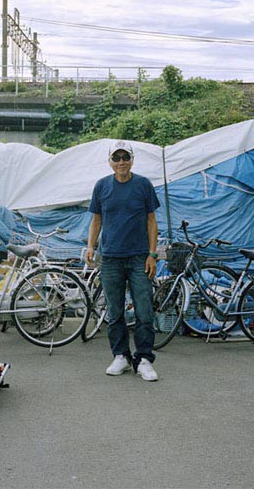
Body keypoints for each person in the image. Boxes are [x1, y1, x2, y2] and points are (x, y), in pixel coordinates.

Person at [86, 140, 161, 381]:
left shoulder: (143, 185)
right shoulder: (101, 187)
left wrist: (152, 254)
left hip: (139, 257)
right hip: (110, 259)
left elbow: (151, 221)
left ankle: (144, 358)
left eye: (125, 157)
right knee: (115, 311)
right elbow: (96, 220)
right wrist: (90, 246)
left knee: (144, 310)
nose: (121, 162)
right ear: (110, 162)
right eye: (116, 158)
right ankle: (121, 356)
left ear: (132, 160)